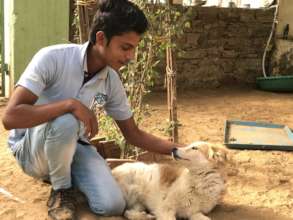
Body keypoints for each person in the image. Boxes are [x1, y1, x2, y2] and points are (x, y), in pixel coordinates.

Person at [2, 0, 183, 219]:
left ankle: (70, 178)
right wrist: (70, 104)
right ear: (101, 38)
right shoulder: (52, 58)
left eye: (134, 49)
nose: (130, 57)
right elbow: (10, 117)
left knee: (112, 205)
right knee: (66, 120)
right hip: (32, 152)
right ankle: (61, 190)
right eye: (125, 47)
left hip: (75, 145)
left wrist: (182, 150)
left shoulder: (111, 81)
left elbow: (132, 133)